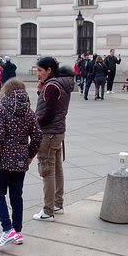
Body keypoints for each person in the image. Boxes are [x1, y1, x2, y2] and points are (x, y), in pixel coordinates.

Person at [0, 78, 43, 247]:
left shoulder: (0, 109)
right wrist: (30, 154)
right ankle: (17, 232)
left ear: (6, 91)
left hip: (3, 160)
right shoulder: (29, 111)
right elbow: (38, 135)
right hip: (20, 161)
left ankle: (7, 228)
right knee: (16, 195)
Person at [32, 57, 75, 221]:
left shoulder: (52, 86)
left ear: (49, 70)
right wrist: (40, 91)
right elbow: (52, 106)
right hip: (58, 132)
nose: (38, 74)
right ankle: (57, 204)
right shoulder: (61, 83)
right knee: (57, 168)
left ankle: (48, 210)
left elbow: (48, 113)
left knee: (47, 171)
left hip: (48, 133)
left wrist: (35, 125)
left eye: (40, 70)